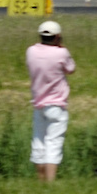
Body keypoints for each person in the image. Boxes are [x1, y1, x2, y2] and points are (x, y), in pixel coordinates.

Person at [26, 20, 76, 182]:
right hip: (56, 104)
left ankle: (40, 181)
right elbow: (70, 69)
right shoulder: (61, 53)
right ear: (58, 37)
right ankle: (50, 182)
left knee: (39, 142)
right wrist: (61, 47)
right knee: (53, 143)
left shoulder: (31, 51)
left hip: (38, 104)